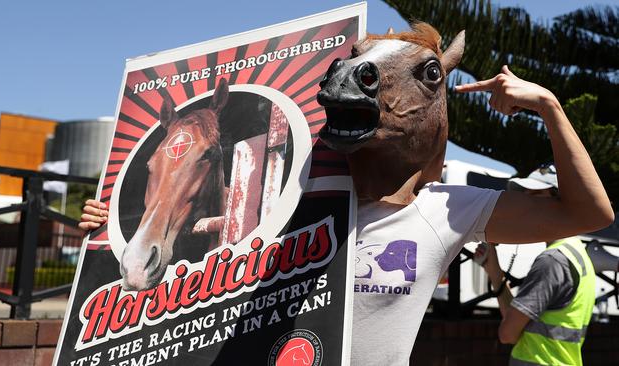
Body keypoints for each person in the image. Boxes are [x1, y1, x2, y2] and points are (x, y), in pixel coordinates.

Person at [81, 60, 614, 364]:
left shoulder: (444, 209)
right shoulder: (281, 199)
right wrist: (107, 229)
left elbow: (588, 213)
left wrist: (548, 106)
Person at [475, 167, 596, 366]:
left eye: (535, 196)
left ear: (561, 200)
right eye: (526, 196)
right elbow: (515, 325)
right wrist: (495, 272)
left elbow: (507, 334)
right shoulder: (575, 252)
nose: (527, 205)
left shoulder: (552, 261)